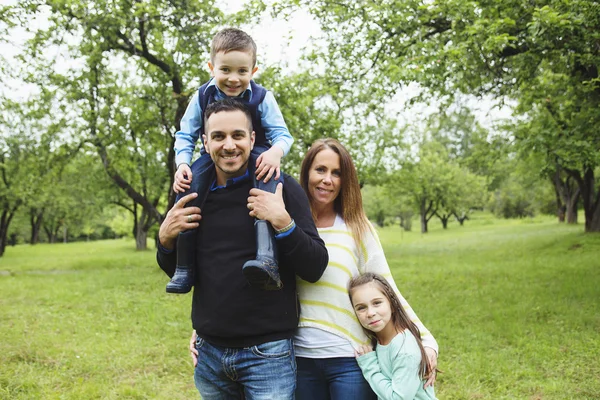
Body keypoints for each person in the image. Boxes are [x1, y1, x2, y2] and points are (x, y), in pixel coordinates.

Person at [158, 99, 328, 399]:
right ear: (205, 141)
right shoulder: (193, 193)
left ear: (252, 138)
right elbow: (180, 271)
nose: (229, 145)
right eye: (219, 136)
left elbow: (315, 266)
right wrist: (166, 240)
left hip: (268, 355)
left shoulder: (280, 188)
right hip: (209, 354)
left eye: (237, 135)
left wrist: (282, 221)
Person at [293, 138, 438, 399]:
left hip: (351, 359)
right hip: (299, 358)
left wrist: (426, 340)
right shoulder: (288, 225)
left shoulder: (357, 227)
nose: (327, 179)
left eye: (337, 173)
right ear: (306, 173)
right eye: (320, 170)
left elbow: (387, 288)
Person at [167, 27, 294, 294]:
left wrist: (275, 152)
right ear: (212, 67)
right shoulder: (202, 96)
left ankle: (266, 257)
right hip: (213, 156)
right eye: (225, 70)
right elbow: (185, 134)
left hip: (257, 151)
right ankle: (184, 265)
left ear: (254, 71)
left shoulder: (262, 98)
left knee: (268, 177)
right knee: (187, 189)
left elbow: (282, 135)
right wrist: (182, 164)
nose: (233, 79)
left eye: (242, 71)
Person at [350, 272, 437, 400]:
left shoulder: (405, 349)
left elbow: (398, 398)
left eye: (377, 303)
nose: (370, 313)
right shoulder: (379, 340)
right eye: (361, 308)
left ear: (392, 305)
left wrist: (370, 366)